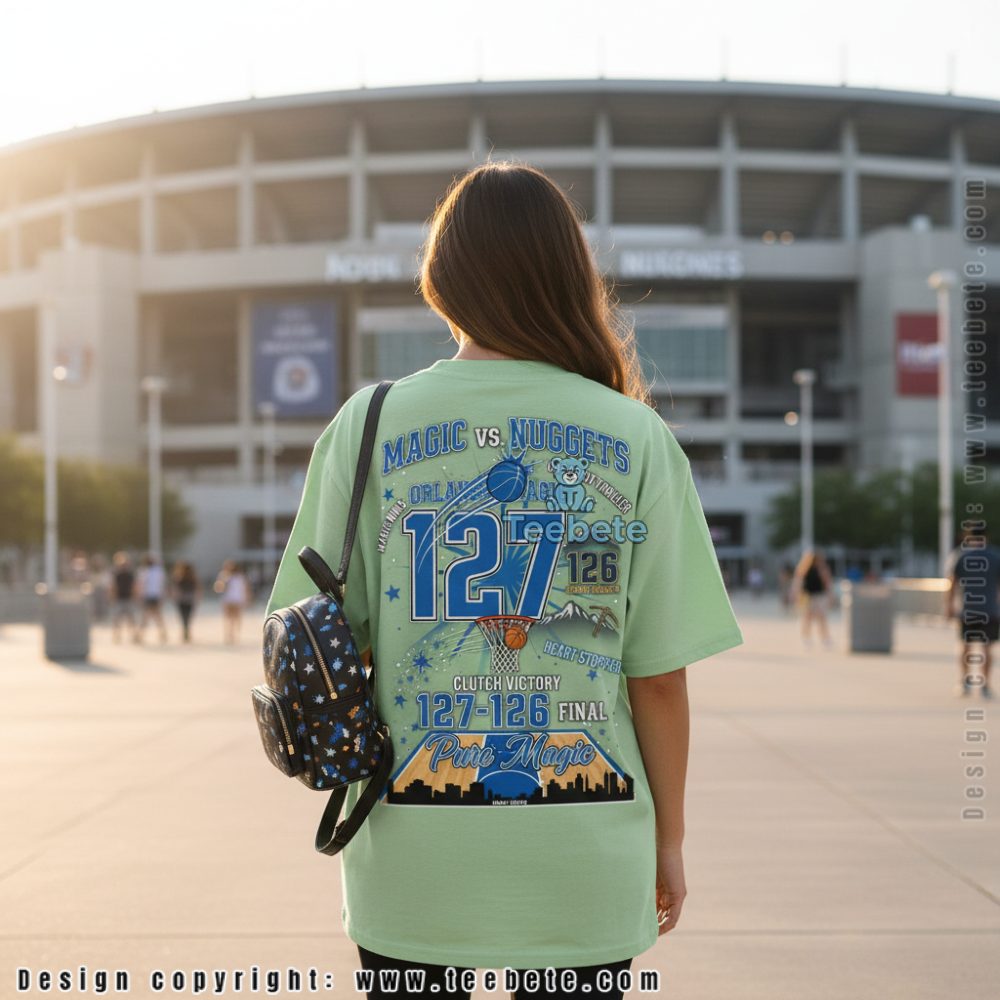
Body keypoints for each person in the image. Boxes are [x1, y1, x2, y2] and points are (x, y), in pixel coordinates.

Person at [264, 161, 745, 998]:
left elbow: (309, 636)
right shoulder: (635, 436)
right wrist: (668, 842)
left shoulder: (366, 425)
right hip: (586, 860)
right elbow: (658, 678)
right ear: (568, 276)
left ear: (442, 279)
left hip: (413, 861)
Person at [945, 526, 998, 699]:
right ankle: (985, 685)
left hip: (968, 609)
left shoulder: (960, 555)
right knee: (987, 648)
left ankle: (965, 682)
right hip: (990, 609)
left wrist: (949, 606)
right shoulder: (996, 556)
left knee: (965, 646)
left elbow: (952, 582)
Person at [792, 548, 834, 647]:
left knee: (821, 617)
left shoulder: (822, 569)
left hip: (819, 595)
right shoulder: (804, 569)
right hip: (807, 596)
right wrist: (796, 595)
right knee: (807, 618)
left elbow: (827, 582)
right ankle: (806, 638)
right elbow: (798, 583)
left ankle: (825, 638)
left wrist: (830, 596)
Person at [135, 552, 169, 644]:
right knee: (153, 616)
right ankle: (161, 634)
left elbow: (161, 584)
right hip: (151, 595)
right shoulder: (152, 571)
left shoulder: (152, 571)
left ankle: (141, 635)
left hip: (152, 596)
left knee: (151, 616)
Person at [214, 559, 250, 645]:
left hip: (237, 600)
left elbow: (245, 588)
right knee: (228, 618)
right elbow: (218, 588)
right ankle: (229, 634)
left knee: (236, 618)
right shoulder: (224, 576)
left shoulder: (240, 577)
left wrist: (247, 598)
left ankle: (234, 634)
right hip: (228, 599)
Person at [108, 551, 138, 643]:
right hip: (119, 599)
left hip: (128, 598)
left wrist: (135, 596)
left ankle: (134, 636)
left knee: (131, 619)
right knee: (117, 619)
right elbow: (113, 586)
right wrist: (112, 597)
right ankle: (116, 636)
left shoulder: (130, 575)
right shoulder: (116, 575)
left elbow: (134, 586)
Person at [170, 561, 202, 643]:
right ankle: (186, 631)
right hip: (186, 599)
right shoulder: (180, 577)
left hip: (185, 599)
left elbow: (197, 588)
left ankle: (186, 631)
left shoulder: (187, 577)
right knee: (186, 617)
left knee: (185, 617)